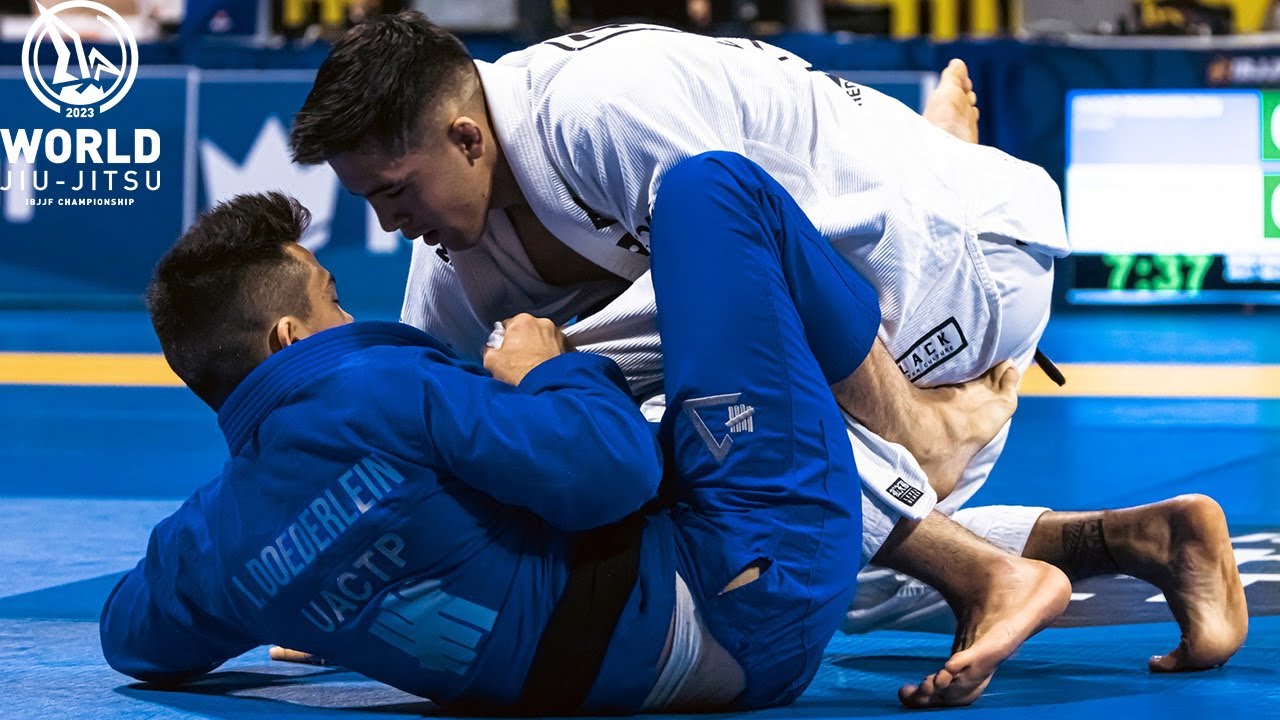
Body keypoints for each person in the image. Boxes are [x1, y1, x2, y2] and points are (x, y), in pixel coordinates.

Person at [287, 14, 1247, 702]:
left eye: (396, 189)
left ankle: (948, 473)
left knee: (655, 430)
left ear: (465, 136)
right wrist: (345, 573)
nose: (387, 221)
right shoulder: (454, 253)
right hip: (862, 296)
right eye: (369, 200)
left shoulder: (596, 110)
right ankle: (1140, 538)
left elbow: (740, 274)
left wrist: (558, 365)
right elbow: (435, 423)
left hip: (954, 275)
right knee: (772, 575)